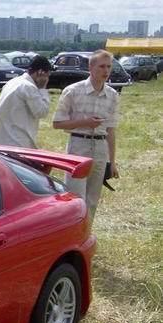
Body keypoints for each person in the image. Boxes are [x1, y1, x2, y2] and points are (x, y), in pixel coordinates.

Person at [53, 49, 120, 222]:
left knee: (93, 198)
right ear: (91, 68)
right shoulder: (73, 91)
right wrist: (84, 122)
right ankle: (73, 232)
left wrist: (112, 162)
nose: (106, 71)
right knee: (76, 197)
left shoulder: (112, 95)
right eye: (101, 66)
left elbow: (111, 130)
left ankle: (86, 232)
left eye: (109, 67)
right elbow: (57, 123)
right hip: (78, 145)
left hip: (100, 147)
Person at [0, 55, 52, 148]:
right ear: (40, 72)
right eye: (47, 75)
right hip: (15, 142)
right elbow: (41, 112)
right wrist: (42, 88)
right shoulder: (28, 87)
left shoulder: (12, 82)